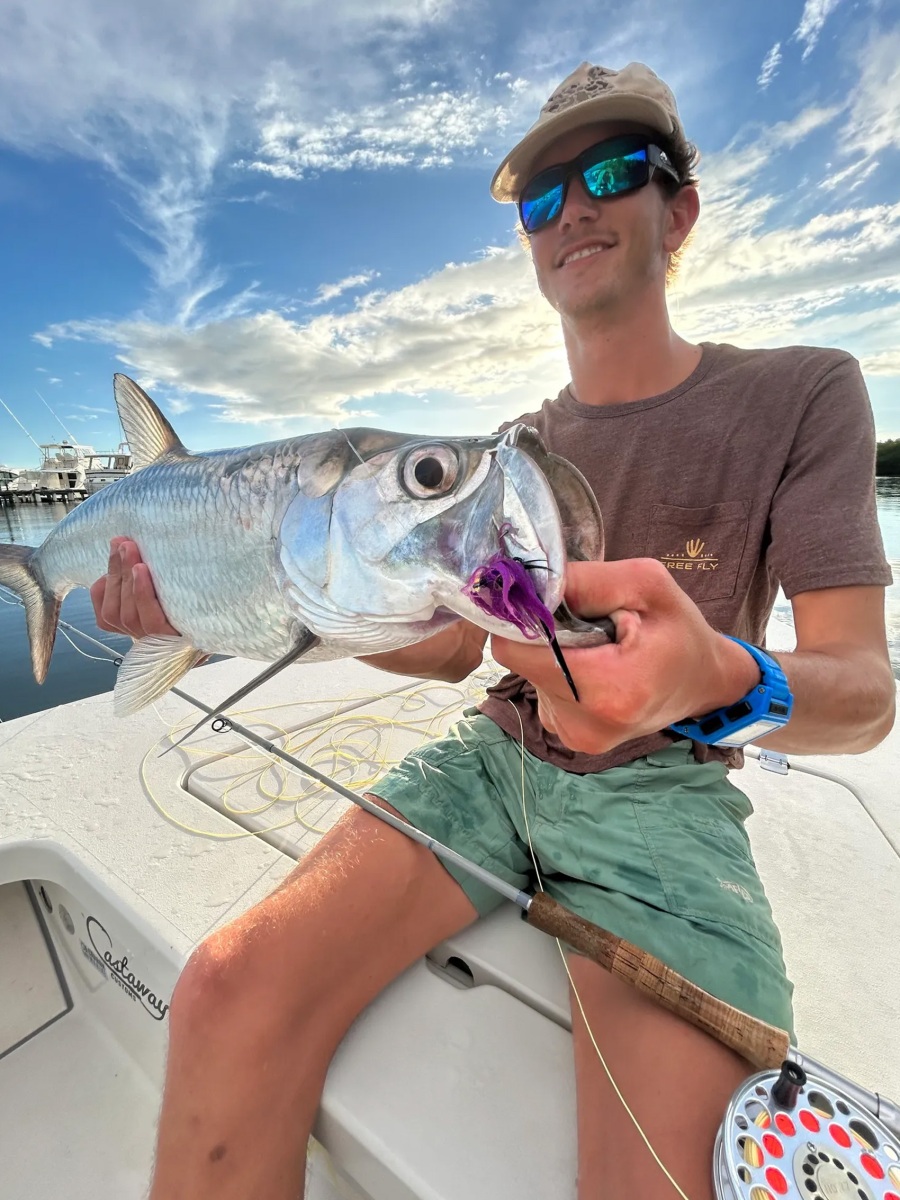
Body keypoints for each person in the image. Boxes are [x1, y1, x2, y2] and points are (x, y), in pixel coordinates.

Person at [90, 61, 895, 1200]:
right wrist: (246, 609)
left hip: (665, 789)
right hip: (494, 755)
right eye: (540, 196)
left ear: (680, 210)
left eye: (610, 172)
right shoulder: (510, 448)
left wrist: (715, 675)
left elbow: (865, 692)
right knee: (224, 991)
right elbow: (451, 647)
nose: (571, 210)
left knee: (665, 1178)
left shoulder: (804, 393)